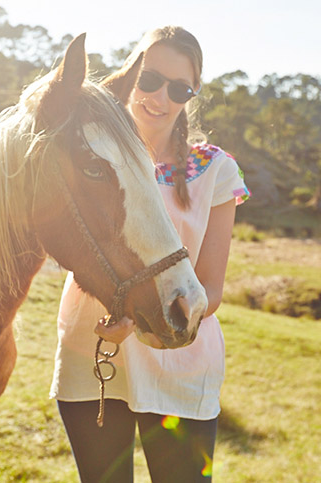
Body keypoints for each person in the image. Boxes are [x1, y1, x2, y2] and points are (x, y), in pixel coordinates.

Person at [50, 26, 250, 482]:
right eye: (150, 79)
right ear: (129, 73)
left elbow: (210, 288)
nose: (161, 96)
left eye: (179, 88)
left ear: (191, 95)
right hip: (93, 351)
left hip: (179, 358)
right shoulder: (85, 149)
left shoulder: (215, 169)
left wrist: (149, 325)